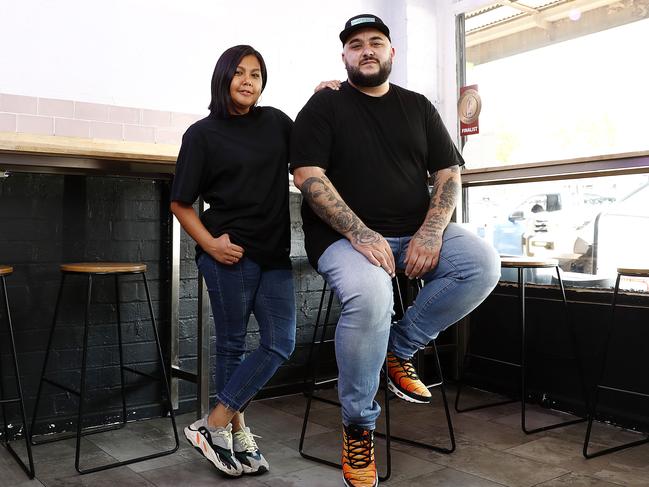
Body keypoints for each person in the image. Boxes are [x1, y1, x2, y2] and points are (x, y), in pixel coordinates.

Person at [290, 15, 501, 487]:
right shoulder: (324, 105)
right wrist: (362, 233)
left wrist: (429, 234)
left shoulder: (418, 106)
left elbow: (448, 175)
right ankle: (359, 428)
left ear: (391, 53)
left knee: (482, 263)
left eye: (376, 43)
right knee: (371, 294)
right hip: (345, 238)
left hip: (415, 231)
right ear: (344, 56)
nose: (367, 50)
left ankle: (398, 347)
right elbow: (308, 176)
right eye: (356, 45)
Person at [170, 45, 297, 477]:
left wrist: (327, 96)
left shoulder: (277, 123)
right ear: (223, 77)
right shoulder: (202, 134)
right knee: (231, 344)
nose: (248, 81)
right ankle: (235, 435)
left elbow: (314, 151)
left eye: (256, 74)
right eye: (239, 72)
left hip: (275, 252)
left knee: (280, 341)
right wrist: (210, 244)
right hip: (230, 254)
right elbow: (181, 203)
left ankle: (216, 424)